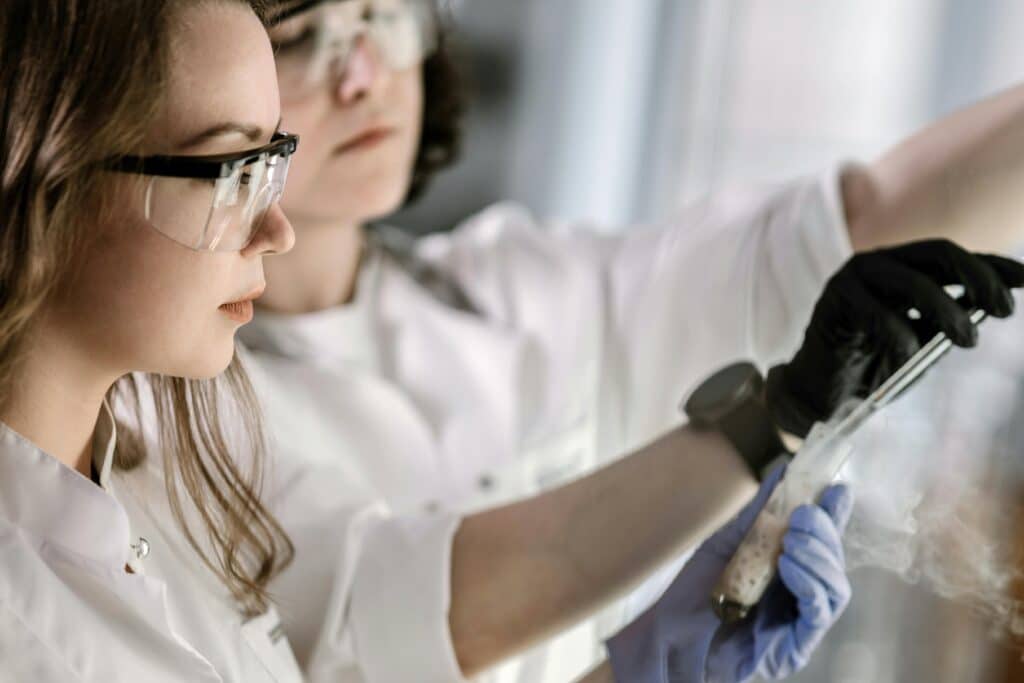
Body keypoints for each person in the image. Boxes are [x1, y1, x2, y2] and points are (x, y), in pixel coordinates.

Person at [243, 1, 1024, 681]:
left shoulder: (514, 286)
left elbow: (851, 228)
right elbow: (420, 609)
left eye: (383, 14)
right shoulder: (173, 412)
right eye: (303, 34)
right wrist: (769, 419)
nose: (365, 75)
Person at [0, 1, 304, 679]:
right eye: (233, 169)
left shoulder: (160, 486)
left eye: (273, 159)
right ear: (45, 182)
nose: (277, 230)